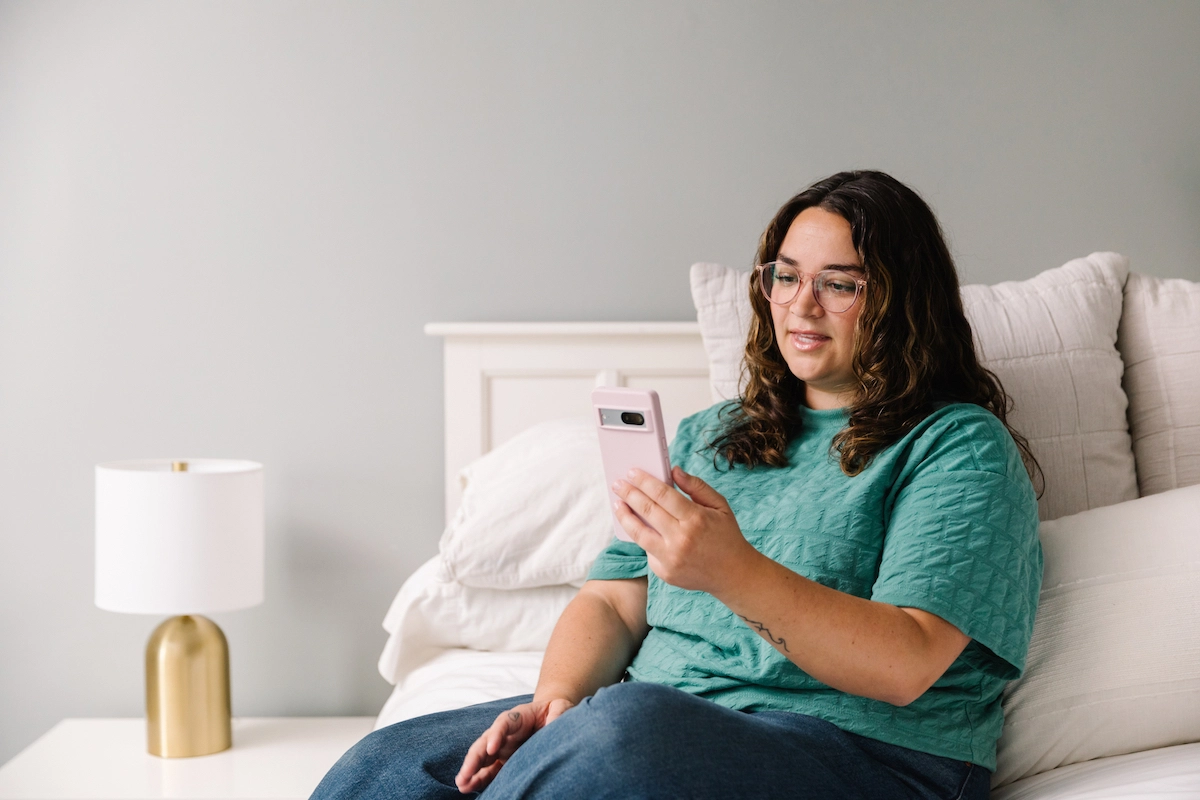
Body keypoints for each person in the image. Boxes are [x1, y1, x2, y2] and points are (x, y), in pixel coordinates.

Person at [311, 170, 1043, 800]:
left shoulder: (957, 445)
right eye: (784, 276)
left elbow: (905, 662)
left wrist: (730, 570)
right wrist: (554, 704)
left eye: (839, 284)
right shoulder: (711, 435)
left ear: (902, 300)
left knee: (625, 731)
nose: (800, 305)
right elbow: (613, 599)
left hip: (870, 755)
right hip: (652, 729)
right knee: (393, 761)